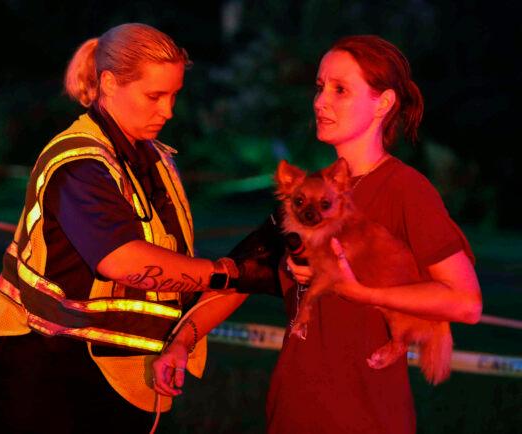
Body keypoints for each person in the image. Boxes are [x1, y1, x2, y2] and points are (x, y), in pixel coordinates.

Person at [153, 35, 482, 434]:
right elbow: (244, 274)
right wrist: (181, 343)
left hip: (365, 418)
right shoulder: (307, 195)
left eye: (340, 89)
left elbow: (465, 303)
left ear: (384, 103)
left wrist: (361, 292)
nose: (321, 101)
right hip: (291, 411)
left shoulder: (405, 190)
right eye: (320, 87)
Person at [0, 23, 252, 434]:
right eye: (154, 96)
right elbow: (121, 260)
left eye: (174, 95)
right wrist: (224, 275)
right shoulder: (81, 163)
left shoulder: (154, 159)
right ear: (108, 83)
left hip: (113, 369)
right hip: (46, 368)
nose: (169, 110)